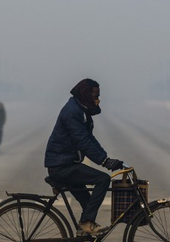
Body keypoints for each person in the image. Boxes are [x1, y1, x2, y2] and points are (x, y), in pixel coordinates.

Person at [44, 79, 123, 236]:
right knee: (103, 179)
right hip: (62, 166)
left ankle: (83, 232)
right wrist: (105, 162)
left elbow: (90, 140)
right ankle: (86, 223)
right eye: (95, 96)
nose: (98, 100)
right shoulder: (73, 112)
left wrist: (107, 159)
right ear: (86, 95)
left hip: (64, 164)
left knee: (88, 204)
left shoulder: (80, 110)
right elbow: (83, 141)